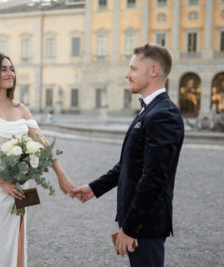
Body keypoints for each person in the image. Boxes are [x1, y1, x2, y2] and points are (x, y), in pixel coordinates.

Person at [73, 43, 184, 267]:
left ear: (153, 70)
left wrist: (130, 228)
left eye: (133, 69)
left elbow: (154, 178)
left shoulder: (164, 115)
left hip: (145, 225)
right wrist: (95, 188)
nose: (127, 74)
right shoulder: (150, 110)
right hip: (138, 221)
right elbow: (129, 164)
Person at [0, 52, 75, 267]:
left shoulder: (20, 108)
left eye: (11, 68)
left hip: (20, 186)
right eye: (3, 69)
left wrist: (62, 175)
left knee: (16, 240)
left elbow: (42, 143)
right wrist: (3, 183)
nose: (10, 73)